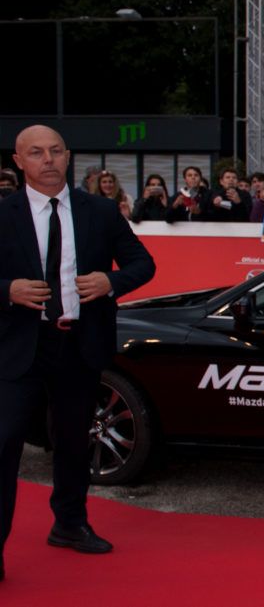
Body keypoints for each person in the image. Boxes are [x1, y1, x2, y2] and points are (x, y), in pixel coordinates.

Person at [0, 125, 155, 581]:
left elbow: (142, 263)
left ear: (68, 157)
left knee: (72, 441)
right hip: (17, 348)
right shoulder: (3, 214)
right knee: (4, 443)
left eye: (55, 151)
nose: (47, 160)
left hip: (78, 344)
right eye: (36, 153)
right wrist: (7, 290)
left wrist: (111, 282)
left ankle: (69, 524)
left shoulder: (100, 211)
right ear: (18, 161)